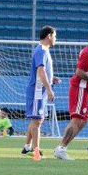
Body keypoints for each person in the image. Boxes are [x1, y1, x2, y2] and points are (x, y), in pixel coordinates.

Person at [54, 30, 88, 161]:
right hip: (80, 89)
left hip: (86, 90)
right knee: (77, 120)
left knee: (83, 122)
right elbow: (79, 72)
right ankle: (61, 148)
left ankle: (62, 148)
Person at [23, 25, 58, 159]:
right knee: (37, 120)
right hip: (37, 90)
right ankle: (36, 150)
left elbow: (43, 72)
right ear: (49, 36)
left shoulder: (43, 50)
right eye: (55, 36)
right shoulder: (41, 50)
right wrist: (49, 89)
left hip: (39, 89)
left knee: (36, 119)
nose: (55, 39)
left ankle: (27, 147)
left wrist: (51, 79)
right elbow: (40, 70)